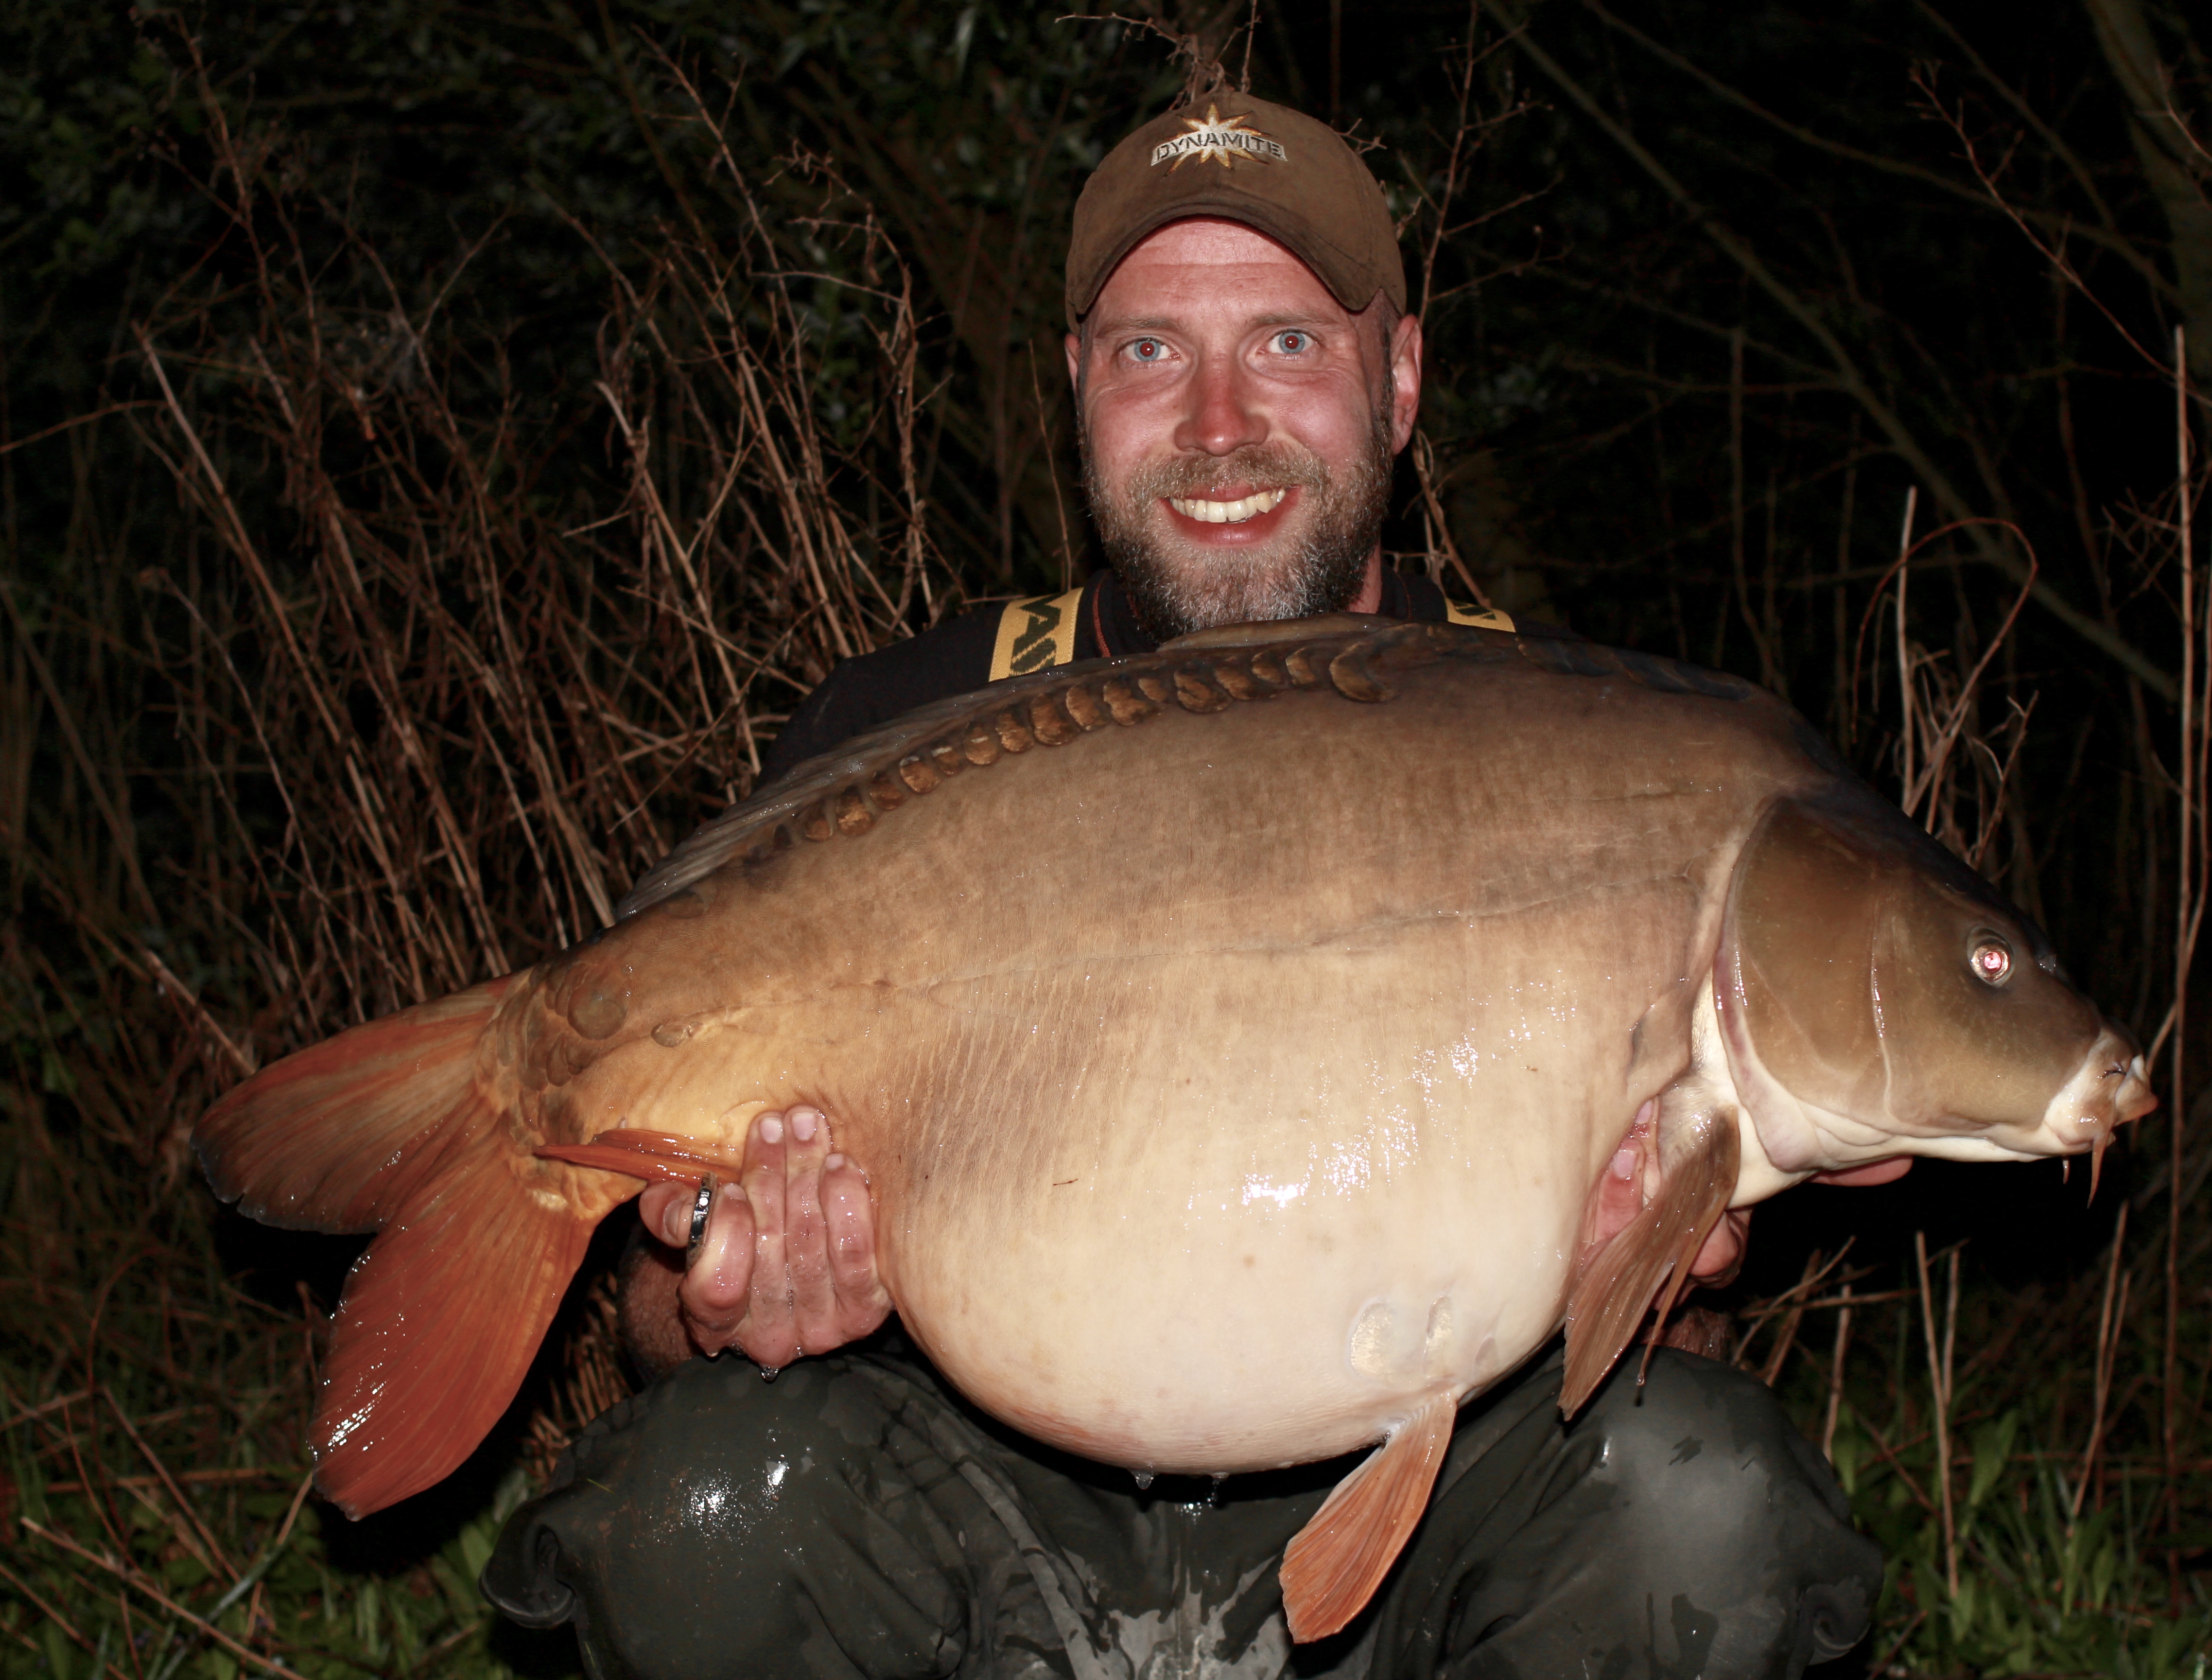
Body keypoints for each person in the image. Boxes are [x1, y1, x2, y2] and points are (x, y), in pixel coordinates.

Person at [485, 85, 1885, 1680]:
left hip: (1431, 1510)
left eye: (1287, 342)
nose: (1219, 424)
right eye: (1153, 351)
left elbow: (1686, 1347)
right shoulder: (905, 734)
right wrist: (725, 1301)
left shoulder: (1582, 750)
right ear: (1079, 386)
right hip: (981, 1501)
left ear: (1400, 378)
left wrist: (1655, 1266)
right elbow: (654, 1316)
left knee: (1703, 1502)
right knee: (699, 1504)